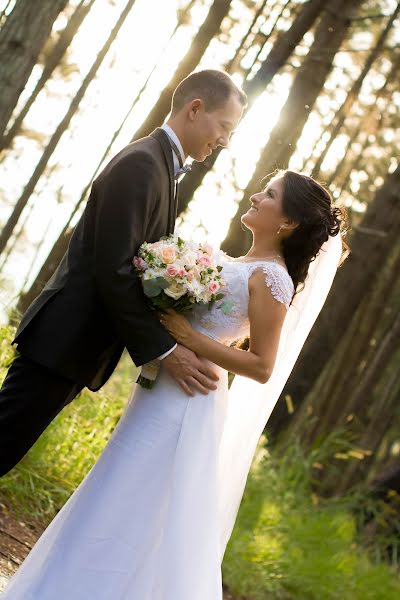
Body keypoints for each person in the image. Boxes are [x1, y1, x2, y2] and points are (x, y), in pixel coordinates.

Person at [1, 169, 347, 599]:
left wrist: (189, 337)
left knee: (132, 505)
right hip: (159, 391)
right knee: (115, 492)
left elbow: (261, 365)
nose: (257, 196)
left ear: (288, 222)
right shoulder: (236, 264)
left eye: (270, 194)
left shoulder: (271, 278)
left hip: (188, 401)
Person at [0, 69, 246, 477]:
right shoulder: (143, 165)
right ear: (195, 108)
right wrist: (165, 350)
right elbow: (114, 269)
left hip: (74, 346)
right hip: (63, 339)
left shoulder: (162, 168)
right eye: (224, 127)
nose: (224, 140)